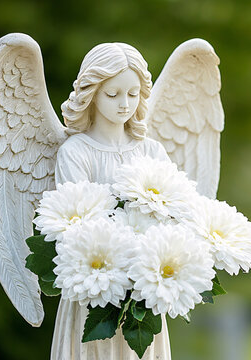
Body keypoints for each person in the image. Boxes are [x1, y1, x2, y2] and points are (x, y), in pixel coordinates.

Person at [51, 42, 172, 360]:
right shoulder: (76, 152)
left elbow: (171, 220)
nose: (124, 104)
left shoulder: (152, 151)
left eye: (133, 94)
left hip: (143, 292)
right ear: (92, 92)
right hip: (92, 290)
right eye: (113, 94)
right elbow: (74, 225)